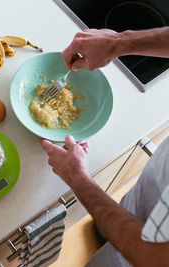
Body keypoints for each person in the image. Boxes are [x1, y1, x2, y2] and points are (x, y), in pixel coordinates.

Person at [41, 27, 169, 267]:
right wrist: (119, 42)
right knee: (134, 204)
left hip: (142, 255)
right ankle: (106, 230)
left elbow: (152, 255)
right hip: (157, 189)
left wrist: (78, 178)